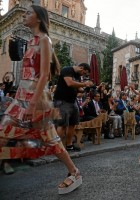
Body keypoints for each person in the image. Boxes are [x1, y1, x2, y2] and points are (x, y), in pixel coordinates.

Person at [0, 5, 82, 194]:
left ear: (38, 18)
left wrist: (31, 104)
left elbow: (44, 75)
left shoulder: (45, 40)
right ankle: (74, 172)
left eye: (29, 12)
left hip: (36, 100)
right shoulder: (31, 41)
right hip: (21, 97)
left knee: (51, 140)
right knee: (3, 131)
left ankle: (74, 172)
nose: (24, 15)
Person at [54, 63, 93, 151]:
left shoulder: (77, 76)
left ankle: (69, 145)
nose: (83, 75)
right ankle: (56, 146)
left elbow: (79, 89)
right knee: (62, 125)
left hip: (72, 101)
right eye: (84, 73)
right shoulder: (67, 70)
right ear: (81, 68)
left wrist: (87, 87)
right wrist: (84, 84)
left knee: (72, 124)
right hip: (62, 101)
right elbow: (70, 83)